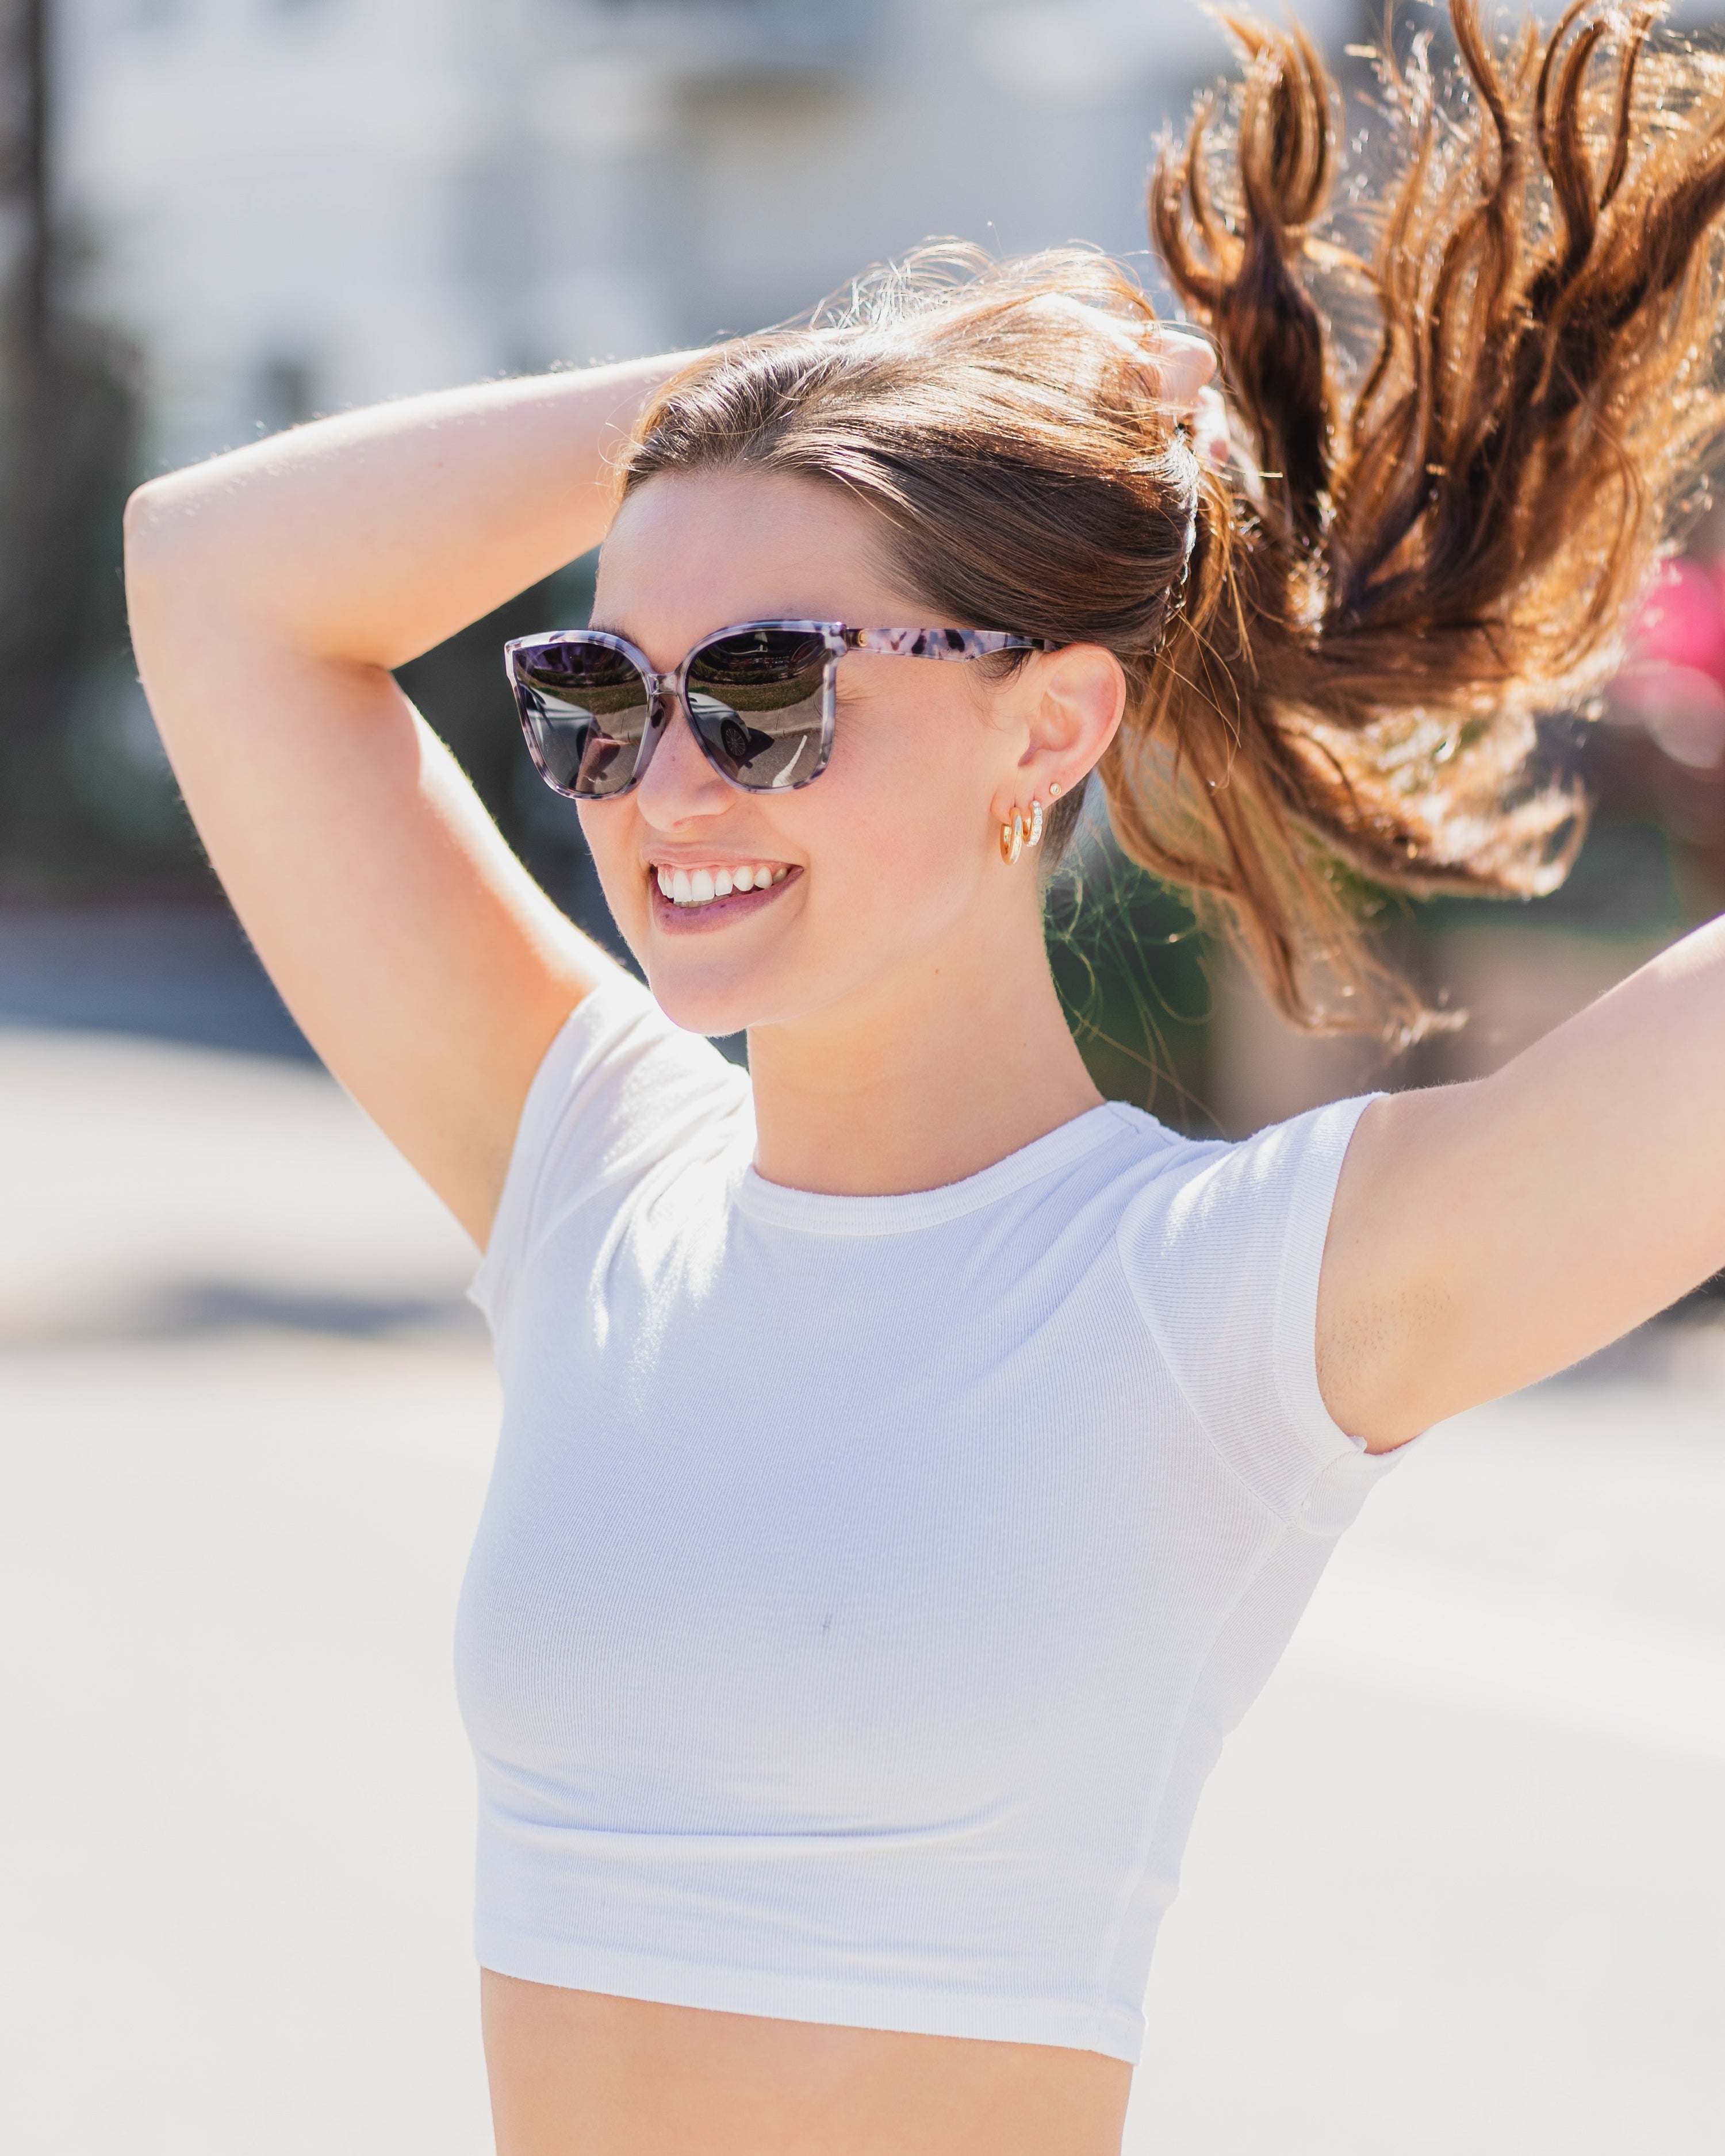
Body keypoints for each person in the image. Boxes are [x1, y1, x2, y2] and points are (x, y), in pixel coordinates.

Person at [122, 6, 1725, 2152]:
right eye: (602, 692)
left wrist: (849, 421)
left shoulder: (1230, 1299)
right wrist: (803, 381)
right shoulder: (596, 1181)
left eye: (769, 686)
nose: (663, 781)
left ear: (1051, 728)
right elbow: (215, 578)